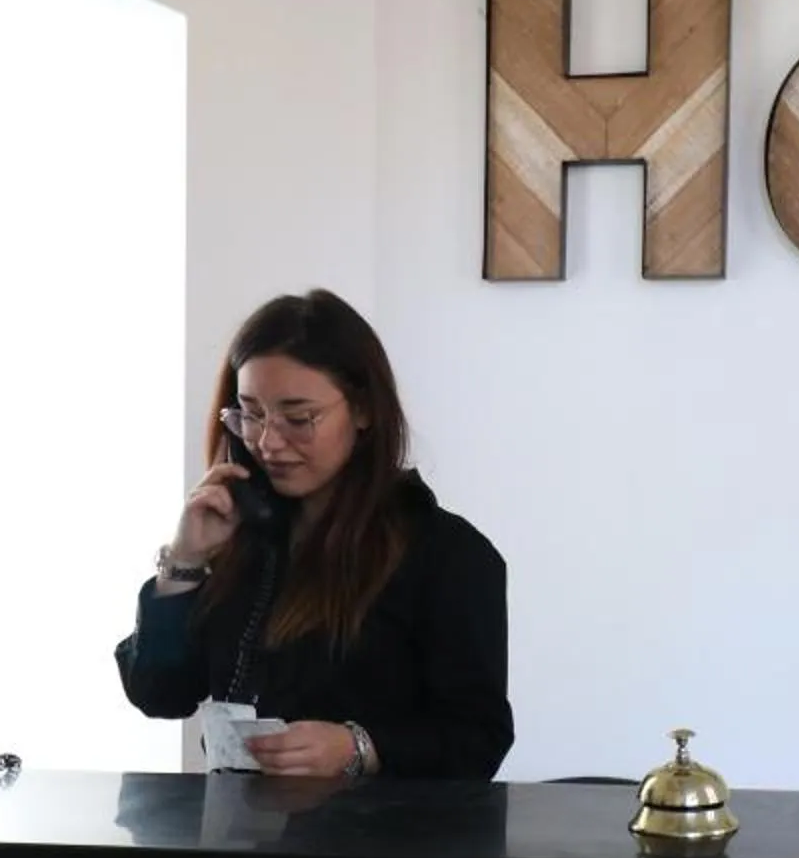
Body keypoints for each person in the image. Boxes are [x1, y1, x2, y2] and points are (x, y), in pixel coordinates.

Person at [115, 289, 513, 780]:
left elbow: (479, 738)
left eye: (299, 418)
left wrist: (357, 747)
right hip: (238, 839)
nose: (267, 441)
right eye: (250, 414)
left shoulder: (449, 556)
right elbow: (158, 693)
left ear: (364, 410)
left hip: (373, 844)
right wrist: (184, 562)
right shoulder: (243, 536)